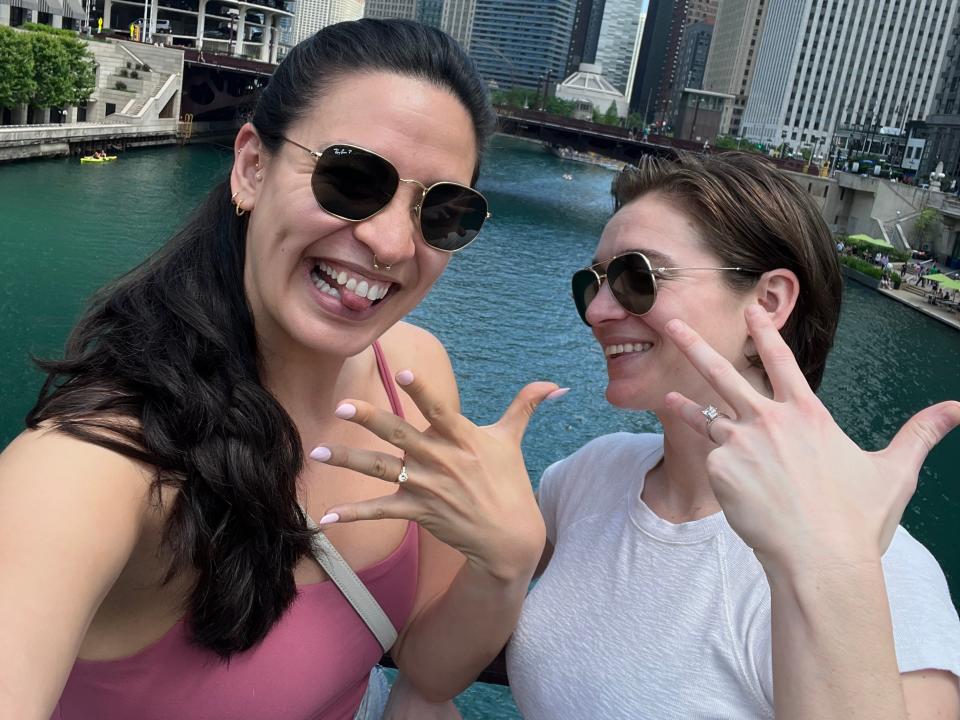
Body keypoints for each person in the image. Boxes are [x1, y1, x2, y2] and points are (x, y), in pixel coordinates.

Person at [0, 19, 559, 719]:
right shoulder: (97, 465)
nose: (390, 241)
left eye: (442, 212)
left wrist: (506, 563)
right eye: (350, 178)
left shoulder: (415, 377)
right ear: (251, 168)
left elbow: (426, 664)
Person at [496, 153, 960, 719]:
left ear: (767, 303)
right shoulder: (590, 474)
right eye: (590, 284)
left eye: (637, 277)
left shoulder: (885, 572)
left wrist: (832, 571)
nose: (597, 310)